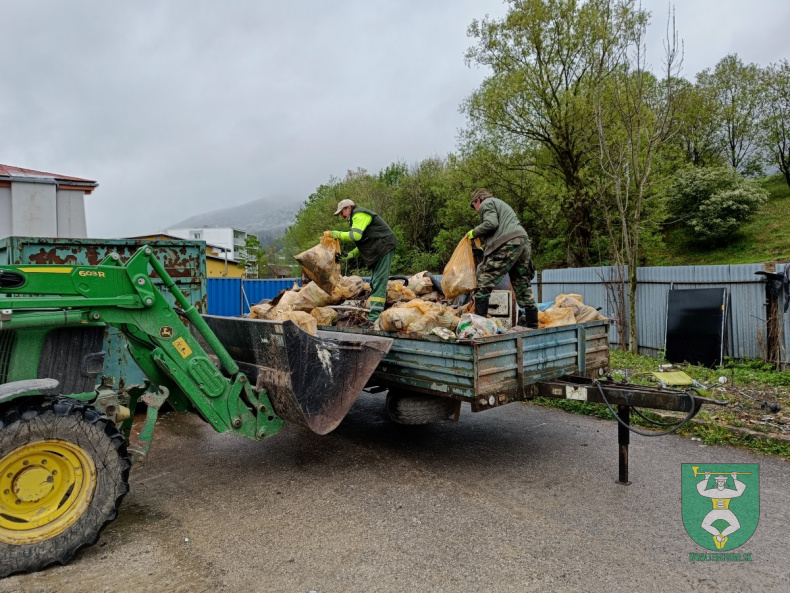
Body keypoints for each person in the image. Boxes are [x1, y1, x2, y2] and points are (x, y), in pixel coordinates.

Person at [467, 188, 539, 329]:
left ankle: (480, 326)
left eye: (473, 204)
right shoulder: (500, 204)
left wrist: (473, 233)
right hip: (522, 242)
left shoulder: (486, 204)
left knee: (484, 279)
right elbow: (498, 231)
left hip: (509, 242)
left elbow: (490, 224)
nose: (475, 209)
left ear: (478, 200)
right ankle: (533, 325)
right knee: (521, 283)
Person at [327, 199, 398, 323]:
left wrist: (337, 234)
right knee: (375, 282)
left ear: (349, 208)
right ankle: (375, 315)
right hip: (379, 249)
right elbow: (363, 242)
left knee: (379, 282)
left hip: (384, 247)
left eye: (342, 212)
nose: (342, 216)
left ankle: (374, 318)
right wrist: (349, 255)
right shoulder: (356, 218)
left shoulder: (359, 214)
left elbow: (356, 236)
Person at [697, 471, 747, 550]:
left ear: (725, 481)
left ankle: (720, 537)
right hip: (715, 511)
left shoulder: (728, 491)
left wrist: (735, 479)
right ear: (716, 481)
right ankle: (718, 536)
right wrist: (706, 478)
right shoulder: (713, 491)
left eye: (722, 481)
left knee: (736, 526)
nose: (720, 483)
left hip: (726, 511)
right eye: (719, 481)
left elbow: (739, 492)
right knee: (704, 525)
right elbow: (701, 492)